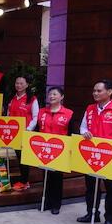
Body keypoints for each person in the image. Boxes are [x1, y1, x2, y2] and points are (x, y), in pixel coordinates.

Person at [77, 79, 112, 224]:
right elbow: (83, 128)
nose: (95, 93)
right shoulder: (90, 109)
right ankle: (92, 214)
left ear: (109, 92)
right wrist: (84, 133)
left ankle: (110, 218)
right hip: (91, 156)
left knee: (111, 189)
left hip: (111, 157)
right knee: (91, 187)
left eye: (99, 91)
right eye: (94, 90)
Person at [37, 87, 74, 215]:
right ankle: (46, 201)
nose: (51, 96)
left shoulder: (68, 113)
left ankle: (56, 204)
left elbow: (71, 133)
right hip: (44, 149)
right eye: (50, 94)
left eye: (55, 94)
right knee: (46, 176)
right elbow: (37, 130)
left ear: (61, 97)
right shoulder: (42, 112)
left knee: (57, 177)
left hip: (60, 150)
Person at [7, 75, 39, 191]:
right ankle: (23, 180)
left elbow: (36, 117)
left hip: (26, 134)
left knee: (24, 158)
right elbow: (8, 114)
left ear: (27, 85)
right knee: (19, 156)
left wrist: (28, 129)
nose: (19, 85)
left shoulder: (32, 99)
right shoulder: (12, 98)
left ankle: (25, 182)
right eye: (17, 83)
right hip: (14, 134)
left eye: (21, 83)